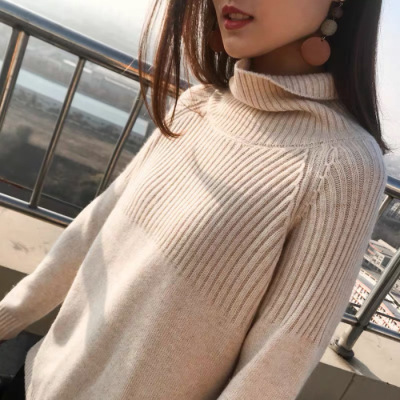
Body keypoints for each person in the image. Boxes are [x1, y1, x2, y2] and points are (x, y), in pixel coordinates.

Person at [0, 0, 391, 399]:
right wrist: (8, 316)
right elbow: (95, 229)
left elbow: (274, 366)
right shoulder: (197, 105)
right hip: (38, 378)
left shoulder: (343, 165)